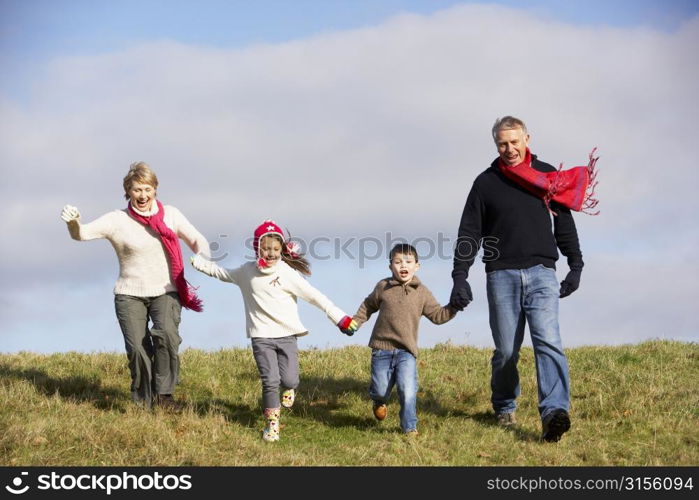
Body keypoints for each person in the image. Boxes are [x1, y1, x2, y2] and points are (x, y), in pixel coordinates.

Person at [450, 116, 598, 442]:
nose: (509, 149)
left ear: (527, 139)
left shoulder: (546, 176)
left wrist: (576, 265)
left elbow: (564, 225)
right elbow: (469, 232)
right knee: (506, 350)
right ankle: (504, 404)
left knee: (548, 342)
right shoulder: (485, 183)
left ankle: (554, 413)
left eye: (514, 142)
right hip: (501, 274)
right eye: (502, 143)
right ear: (495, 145)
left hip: (542, 272)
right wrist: (460, 276)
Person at [60, 161, 210, 410]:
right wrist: (73, 222)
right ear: (128, 191)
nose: (143, 195)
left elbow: (196, 238)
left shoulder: (170, 214)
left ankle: (164, 397)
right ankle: (144, 400)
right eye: (137, 189)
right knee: (138, 349)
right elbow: (82, 234)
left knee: (167, 338)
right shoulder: (117, 219)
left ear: (155, 189)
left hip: (167, 290)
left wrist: (203, 256)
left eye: (147, 189)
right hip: (129, 293)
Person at [190, 220, 356, 442]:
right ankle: (272, 425)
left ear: (282, 250)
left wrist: (341, 318)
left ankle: (290, 389)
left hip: (287, 336)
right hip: (261, 336)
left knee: (289, 380)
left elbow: (316, 297)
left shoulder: (287, 273)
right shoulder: (246, 272)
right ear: (257, 247)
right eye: (266, 248)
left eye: (275, 249)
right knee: (270, 380)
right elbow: (222, 273)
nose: (270, 253)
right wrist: (199, 263)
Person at [346, 243, 458, 436]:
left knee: (408, 390)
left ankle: (409, 427)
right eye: (398, 262)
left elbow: (438, 315)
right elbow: (368, 305)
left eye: (408, 261)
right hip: (381, 349)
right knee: (381, 389)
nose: (403, 265)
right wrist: (355, 321)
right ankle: (379, 400)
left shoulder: (422, 292)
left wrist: (455, 306)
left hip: (407, 351)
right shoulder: (383, 287)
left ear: (417, 266)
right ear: (391, 266)